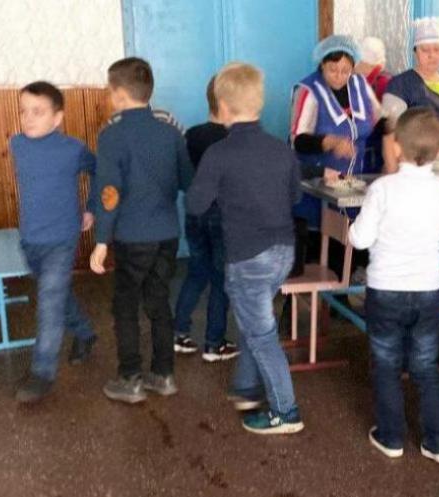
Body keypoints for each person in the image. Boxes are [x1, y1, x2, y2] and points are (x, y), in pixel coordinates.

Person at [187, 62, 304, 435]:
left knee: (261, 335)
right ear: (259, 102)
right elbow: (295, 196)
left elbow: (195, 205)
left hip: (248, 257)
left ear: (222, 106)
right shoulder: (281, 150)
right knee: (257, 322)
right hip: (283, 252)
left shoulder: (219, 153)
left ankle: (286, 412)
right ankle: (246, 387)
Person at [349, 107, 439, 464]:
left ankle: (391, 437)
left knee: (386, 364)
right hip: (428, 289)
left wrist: (354, 228)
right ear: (438, 150)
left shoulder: (382, 189)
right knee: (426, 365)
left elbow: (360, 239)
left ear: (397, 146)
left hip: (385, 290)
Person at [88, 57, 193, 404]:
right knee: (159, 301)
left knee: (125, 304)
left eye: (109, 91)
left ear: (119, 94)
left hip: (131, 238)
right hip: (167, 234)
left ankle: (130, 377)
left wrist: (101, 241)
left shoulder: (111, 135)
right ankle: (164, 375)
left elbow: (109, 193)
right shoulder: (170, 132)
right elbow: (187, 181)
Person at [9, 81, 97, 404]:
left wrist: (91, 208)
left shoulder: (73, 149)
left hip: (62, 238)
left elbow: (99, 171)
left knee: (48, 301)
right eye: (24, 111)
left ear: (57, 118)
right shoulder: (17, 143)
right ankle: (85, 333)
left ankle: (42, 373)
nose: (28, 118)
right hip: (30, 239)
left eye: (38, 112)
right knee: (55, 294)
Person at [172, 77, 240, 363]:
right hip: (222, 215)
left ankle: (178, 333)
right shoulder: (234, 140)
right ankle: (214, 343)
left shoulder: (192, 135)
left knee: (197, 272)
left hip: (194, 212)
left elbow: (183, 174)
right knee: (222, 279)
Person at [290, 34, 382, 230]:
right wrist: (330, 142)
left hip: (354, 184)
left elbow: (378, 120)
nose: (339, 76)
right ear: (322, 64)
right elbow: (297, 141)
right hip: (317, 186)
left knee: (354, 238)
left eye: (345, 71)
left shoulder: (360, 85)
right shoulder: (308, 90)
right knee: (324, 237)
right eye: (333, 70)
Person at [382, 17, 439, 176]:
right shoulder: (399, 85)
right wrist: (393, 175)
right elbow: (389, 135)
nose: (432, 55)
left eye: (437, 49)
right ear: (415, 52)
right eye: (425, 50)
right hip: (412, 171)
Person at [356, 36, 392, 172]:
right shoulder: (363, 81)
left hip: (373, 154)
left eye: (358, 61)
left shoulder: (383, 83)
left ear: (366, 63)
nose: (355, 66)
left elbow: (386, 123)